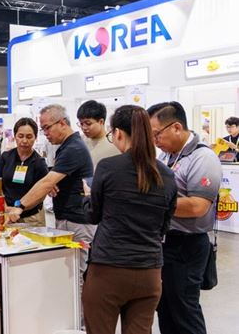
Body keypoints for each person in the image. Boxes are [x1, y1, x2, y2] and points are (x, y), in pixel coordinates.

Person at [82, 105, 177, 334]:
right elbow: (164, 225)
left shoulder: (108, 168)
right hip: (149, 273)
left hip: (108, 270)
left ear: (118, 133)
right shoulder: (167, 174)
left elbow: (93, 215)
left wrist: (86, 196)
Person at [147, 102, 221, 334]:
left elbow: (198, 206)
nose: (155, 140)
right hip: (165, 243)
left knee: (184, 309)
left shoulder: (203, 157)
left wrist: (150, 201)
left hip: (187, 246)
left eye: (156, 134)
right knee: (165, 307)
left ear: (177, 127)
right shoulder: (166, 156)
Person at [6, 104, 94, 285]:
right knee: (66, 274)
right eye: (43, 128)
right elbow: (51, 181)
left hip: (76, 220)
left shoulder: (73, 148)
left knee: (74, 276)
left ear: (62, 123)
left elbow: (45, 183)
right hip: (67, 217)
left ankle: (78, 314)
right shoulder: (66, 147)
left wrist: (19, 207)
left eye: (47, 127)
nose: (45, 133)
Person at [0, 118, 49, 226]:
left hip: (32, 218)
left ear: (35, 138)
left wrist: (19, 208)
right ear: (15, 136)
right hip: (7, 215)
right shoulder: (5, 157)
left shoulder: (39, 162)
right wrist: (5, 207)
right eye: (21, 136)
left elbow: (41, 194)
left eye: (29, 137)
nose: (24, 141)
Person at [77, 100, 120, 169]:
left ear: (101, 122)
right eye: (81, 124)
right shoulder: (80, 141)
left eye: (88, 123)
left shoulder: (114, 142)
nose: (84, 128)